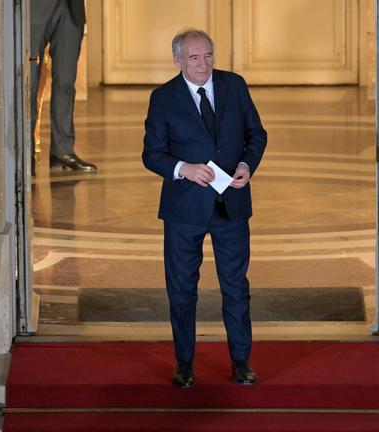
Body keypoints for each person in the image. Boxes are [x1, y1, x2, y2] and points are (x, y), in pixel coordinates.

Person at [142, 29, 267, 388]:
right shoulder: (163, 98)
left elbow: (256, 135)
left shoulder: (235, 85)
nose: (204, 64)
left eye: (208, 55)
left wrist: (246, 166)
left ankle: (241, 360)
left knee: (235, 287)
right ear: (178, 61)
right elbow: (152, 154)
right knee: (181, 289)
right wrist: (184, 169)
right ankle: (184, 361)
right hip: (185, 209)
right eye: (194, 58)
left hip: (232, 204)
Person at [30, 0, 96, 173]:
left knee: (66, 83)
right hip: (33, 8)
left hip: (71, 8)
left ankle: (62, 152)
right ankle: (25, 150)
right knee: (28, 83)